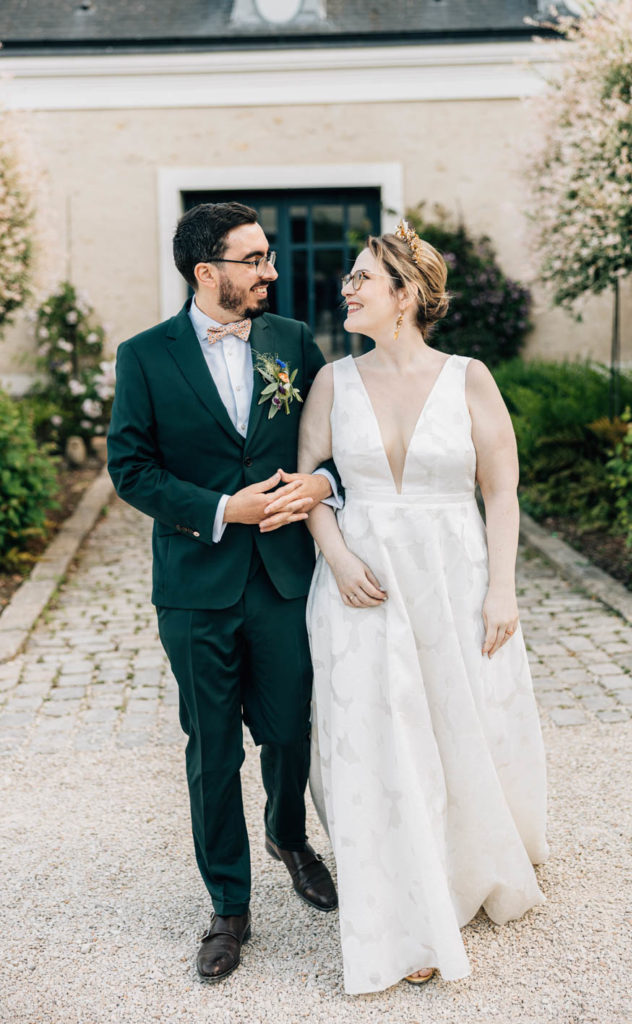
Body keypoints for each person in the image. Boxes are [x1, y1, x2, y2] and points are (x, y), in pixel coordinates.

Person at [299, 221, 548, 995]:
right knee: (379, 732)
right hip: (361, 580)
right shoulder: (332, 381)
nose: (346, 289)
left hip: (452, 571)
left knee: (455, 716)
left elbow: (499, 487)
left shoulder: (469, 376)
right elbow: (307, 483)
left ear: (404, 296)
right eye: (347, 278)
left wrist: (500, 585)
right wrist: (337, 556)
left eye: (361, 279)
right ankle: (402, 904)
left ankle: (466, 862)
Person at [107, 202, 341, 983]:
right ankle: (228, 906)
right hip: (196, 587)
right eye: (254, 259)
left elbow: (333, 447)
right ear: (208, 272)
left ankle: (288, 835)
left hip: (281, 578)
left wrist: (321, 484)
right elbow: (130, 469)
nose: (270, 271)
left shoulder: (292, 343)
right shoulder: (143, 356)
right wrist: (219, 510)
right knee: (212, 749)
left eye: (269, 255)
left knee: (288, 728)